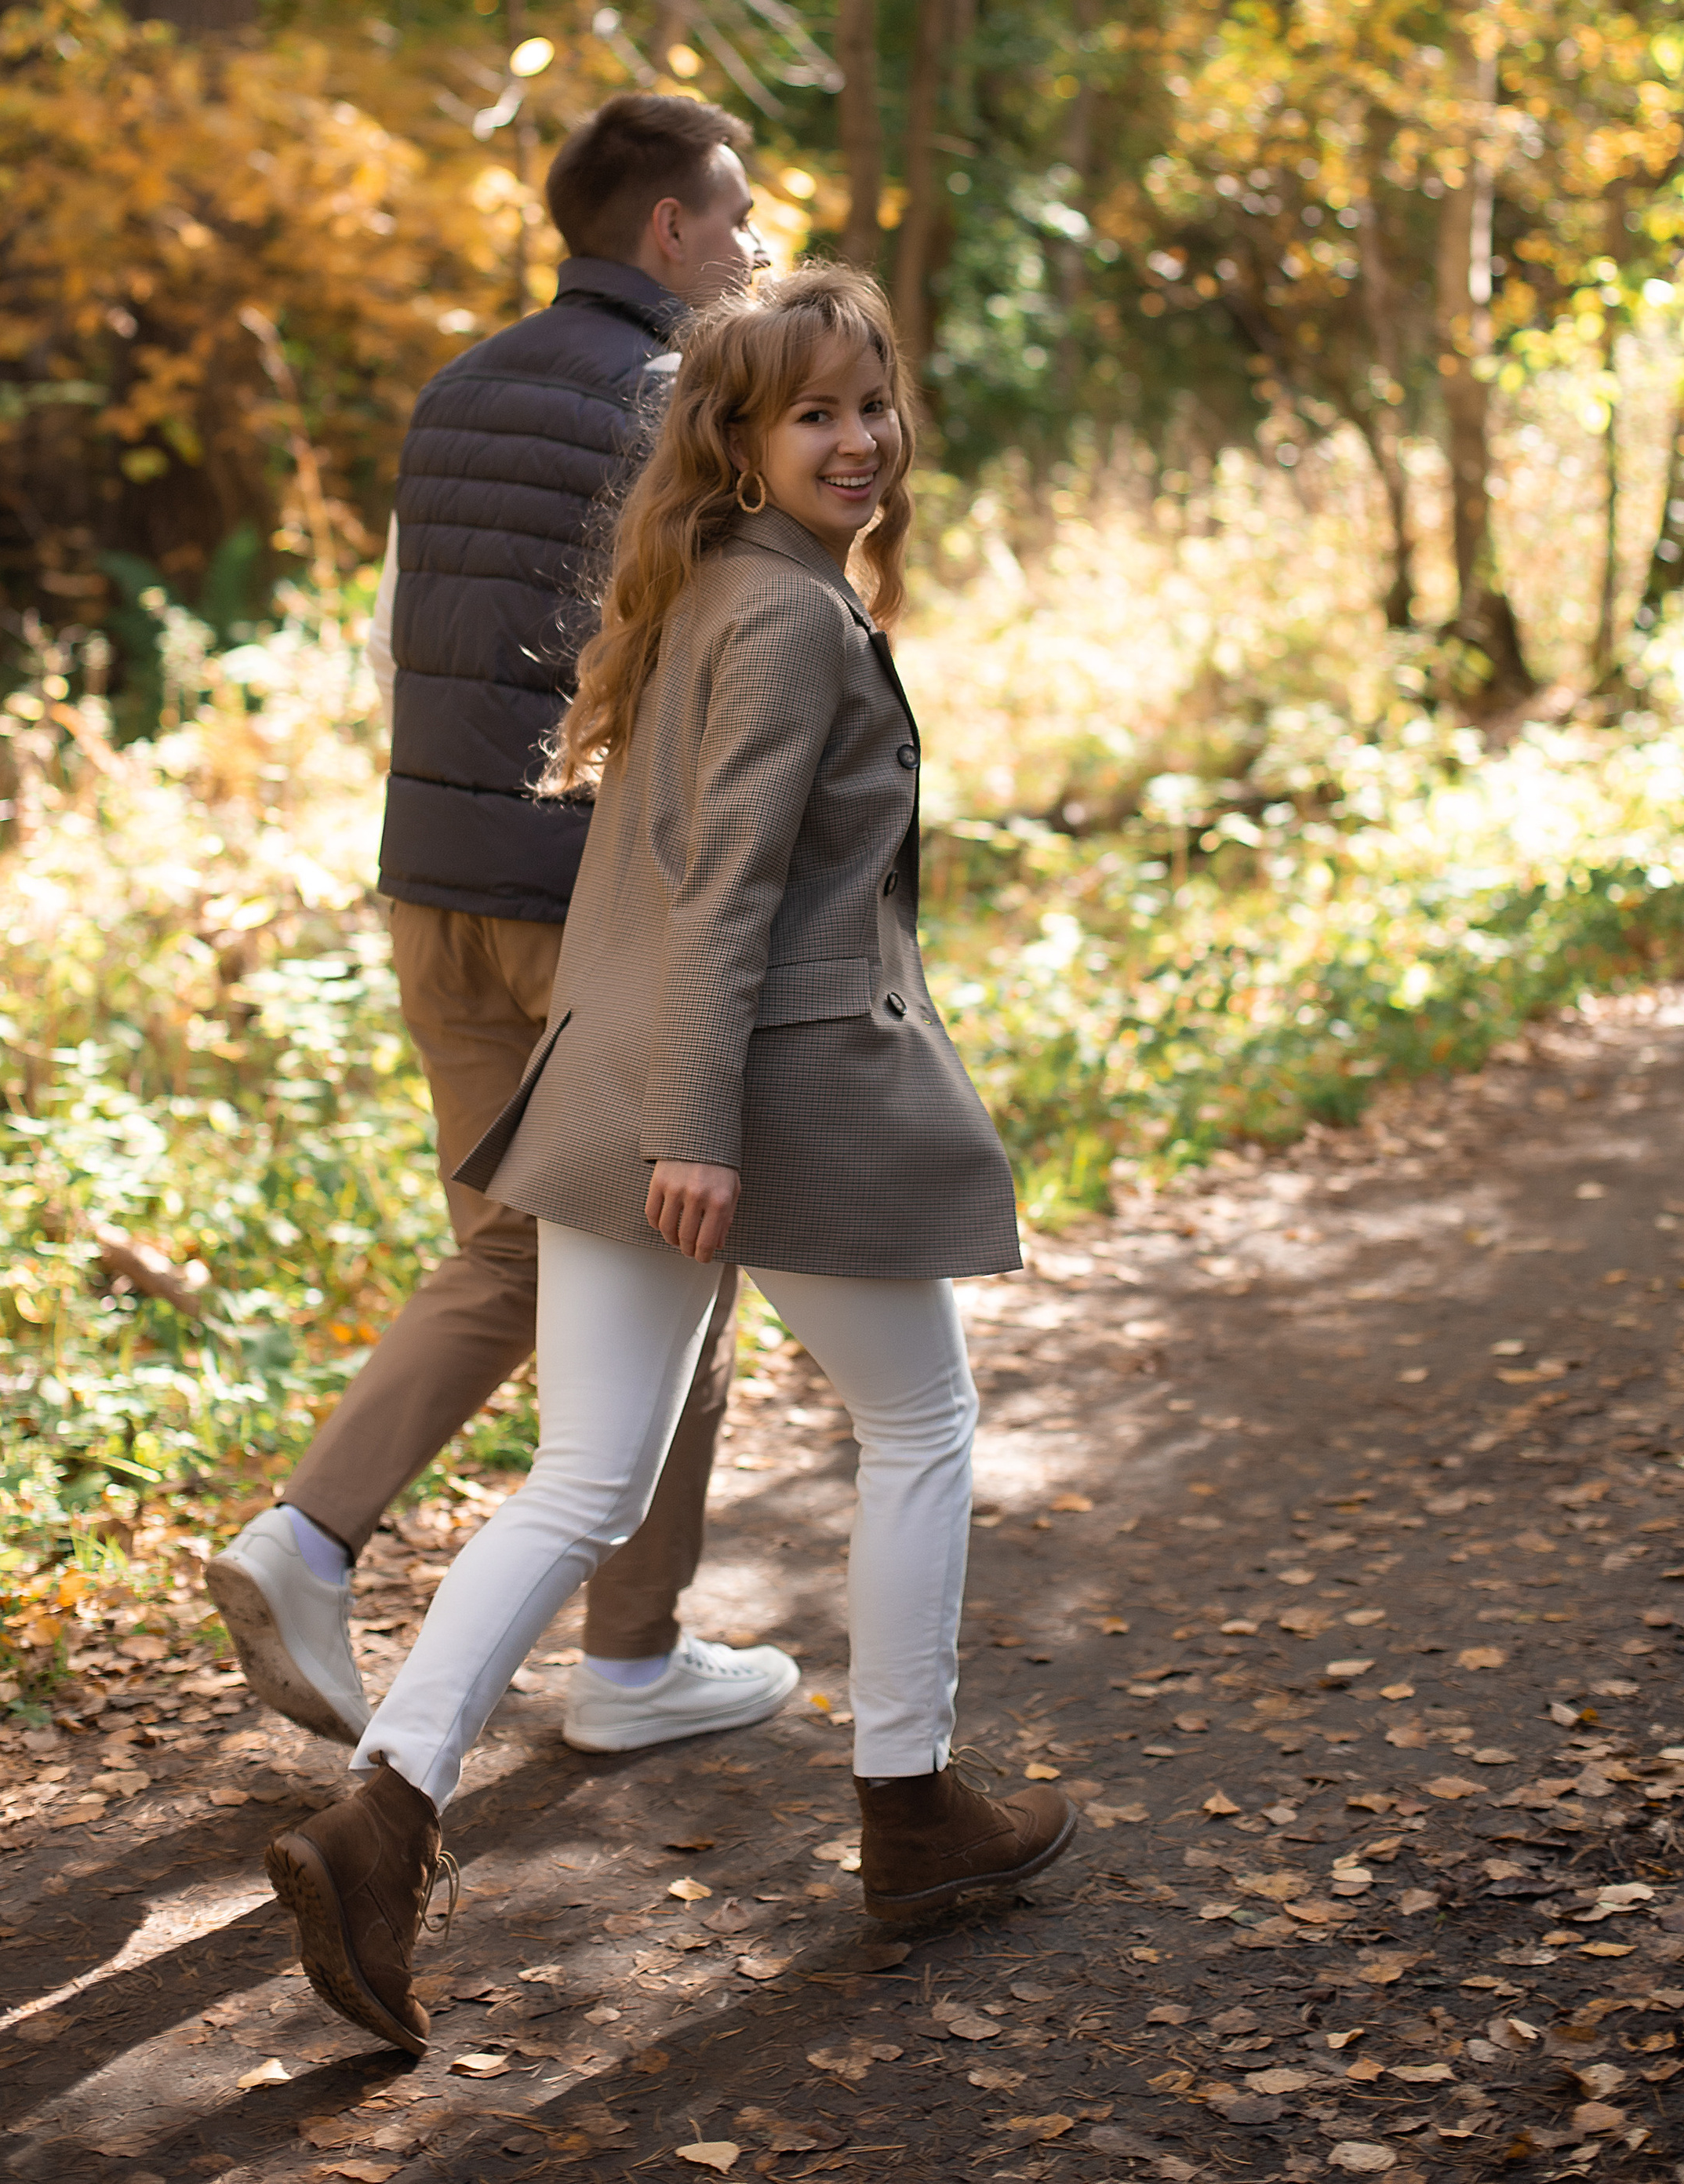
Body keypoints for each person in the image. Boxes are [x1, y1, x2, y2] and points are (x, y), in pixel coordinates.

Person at [260, 264, 1077, 2058]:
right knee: (920, 1428)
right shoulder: (785, 621)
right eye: (815, 415)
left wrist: (658, 1108)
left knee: (582, 1479)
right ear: (736, 437)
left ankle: (381, 1815)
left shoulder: (712, 584)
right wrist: (698, 1129)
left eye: (872, 405)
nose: (859, 441)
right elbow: (726, 891)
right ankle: (912, 1811)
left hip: (614, 1076)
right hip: (749, 1092)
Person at [207, 93, 801, 1763]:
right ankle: (629, 1662)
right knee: (682, 1255)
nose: (753, 246)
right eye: (736, 216)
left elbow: (405, 637)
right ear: (668, 232)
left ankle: (307, 1536)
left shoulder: (452, 389)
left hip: (430, 886)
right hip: (581, 910)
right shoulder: (686, 403)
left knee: (510, 1248)